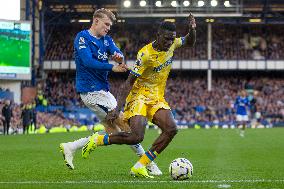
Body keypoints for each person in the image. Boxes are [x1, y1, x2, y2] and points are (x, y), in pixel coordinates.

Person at [82, 14, 196, 178]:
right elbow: (128, 82)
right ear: (158, 35)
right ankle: (97, 140)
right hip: (139, 97)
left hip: (157, 97)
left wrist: (192, 29)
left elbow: (189, 41)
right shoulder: (145, 55)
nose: (170, 43)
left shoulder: (172, 44)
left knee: (171, 129)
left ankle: (140, 165)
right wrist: (117, 108)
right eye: (166, 39)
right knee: (136, 137)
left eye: (172, 39)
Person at [59, 8, 162, 175]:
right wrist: (111, 67)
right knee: (126, 127)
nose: (108, 28)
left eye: (110, 25)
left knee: (113, 133)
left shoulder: (106, 40)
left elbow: (116, 51)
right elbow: (87, 62)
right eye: (106, 24)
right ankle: (146, 164)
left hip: (103, 91)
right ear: (96, 21)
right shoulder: (82, 38)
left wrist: (118, 56)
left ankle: (71, 146)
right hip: (91, 92)